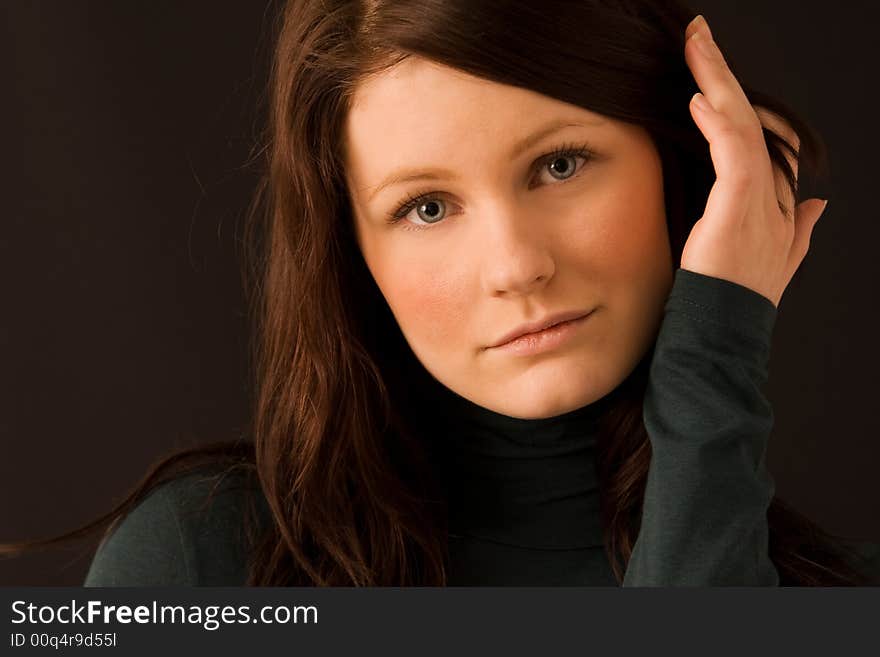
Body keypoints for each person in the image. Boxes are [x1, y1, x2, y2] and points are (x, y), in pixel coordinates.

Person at [4, 0, 877, 586]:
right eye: (426, 207)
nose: (515, 266)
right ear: (355, 253)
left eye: (559, 165)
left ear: (681, 164)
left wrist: (716, 348)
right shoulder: (204, 563)